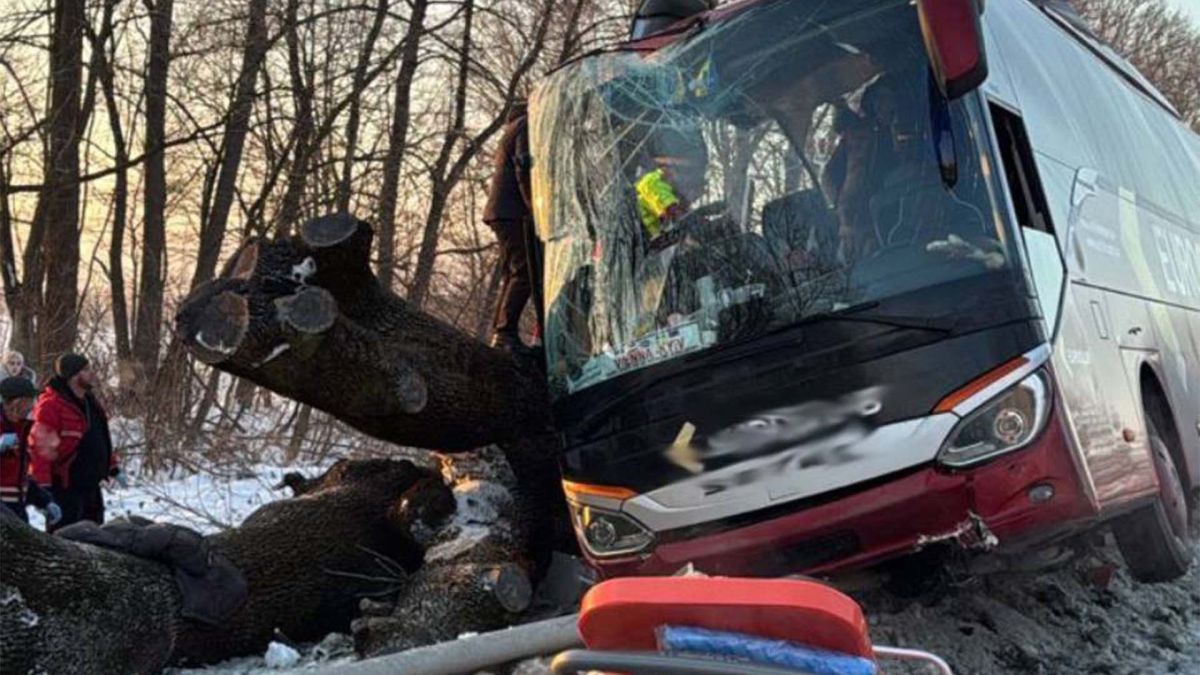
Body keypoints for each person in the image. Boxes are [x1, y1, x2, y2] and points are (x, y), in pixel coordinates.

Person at [29, 353, 124, 532]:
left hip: (91, 487)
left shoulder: (91, 402)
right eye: (86, 370)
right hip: (65, 488)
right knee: (65, 538)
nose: (92, 373)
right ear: (73, 375)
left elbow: (99, 437)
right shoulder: (51, 405)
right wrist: (44, 489)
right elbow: (40, 449)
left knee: (96, 537)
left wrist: (112, 467)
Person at [484, 101, 538, 355]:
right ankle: (505, 333)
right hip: (512, 211)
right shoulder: (525, 126)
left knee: (512, 273)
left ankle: (500, 333)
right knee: (525, 271)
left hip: (501, 212)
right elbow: (523, 167)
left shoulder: (510, 129)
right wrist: (533, 207)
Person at [0, 376, 61, 525]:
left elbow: (19, 478)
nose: (32, 406)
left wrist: (44, 501)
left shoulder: (21, 429)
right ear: (16, 403)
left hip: (16, 512)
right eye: (29, 401)